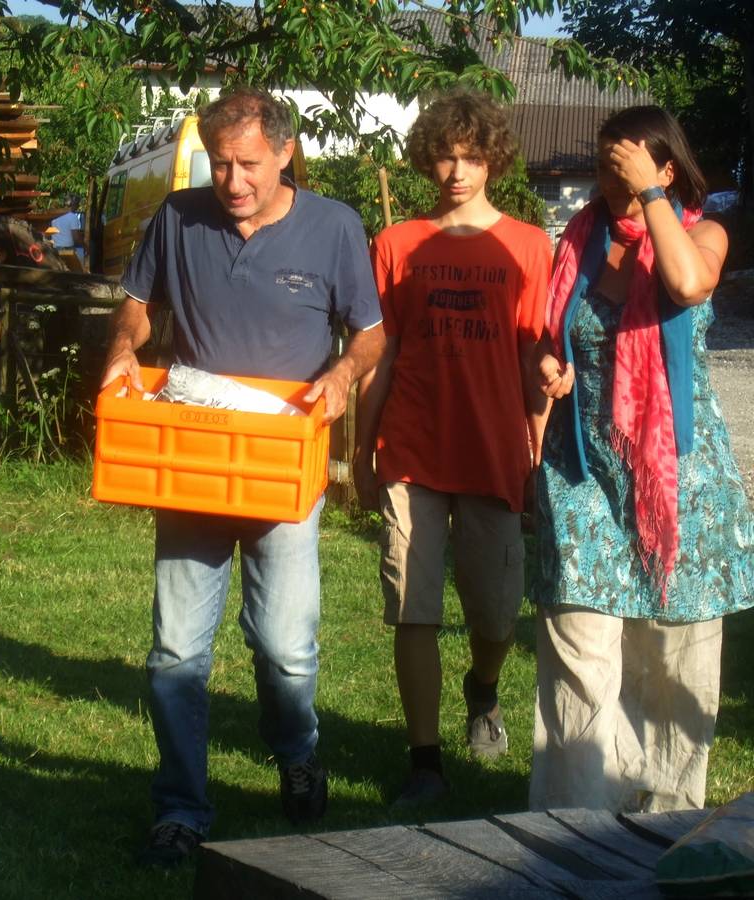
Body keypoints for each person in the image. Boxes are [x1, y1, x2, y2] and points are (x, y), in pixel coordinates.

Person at [101, 86, 385, 867]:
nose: (232, 181)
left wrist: (343, 374)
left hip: (283, 465)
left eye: (249, 164)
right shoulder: (177, 217)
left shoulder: (334, 226)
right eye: (220, 164)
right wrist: (124, 346)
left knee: (285, 647)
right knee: (175, 654)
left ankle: (296, 754)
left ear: (285, 153)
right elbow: (135, 305)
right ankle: (181, 808)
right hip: (192, 460)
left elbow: (371, 332)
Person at [529, 105, 754, 813]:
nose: (611, 179)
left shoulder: (704, 233)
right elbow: (554, 336)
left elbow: (686, 285)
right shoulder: (579, 239)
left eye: (624, 165)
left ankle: (665, 814)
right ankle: (573, 820)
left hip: (677, 480)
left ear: (667, 169)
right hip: (584, 473)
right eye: (604, 165)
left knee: (671, 655)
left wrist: (651, 197)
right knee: (577, 644)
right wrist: (549, 364)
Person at [354, 90, 551, 808]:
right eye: (444, 156)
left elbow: (533, 356)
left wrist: (536, 455)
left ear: (493, 160)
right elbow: (380, 354)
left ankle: (483, 687)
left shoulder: (528, 246)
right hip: (412, 448)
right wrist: (363, 449)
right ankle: (425, 760)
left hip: (494, 452)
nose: (457, 172)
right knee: (414, 607)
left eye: (470, 157)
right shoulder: (396, 244)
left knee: (496, 615)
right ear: (426, 160)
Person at [50, 195, 85, 263]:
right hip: (67, 250)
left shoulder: (54, 217)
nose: (78, 206)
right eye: (77, 204)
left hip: (55, 249)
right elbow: (76, 238)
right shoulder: (73, 217)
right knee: (80, 256)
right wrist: (85, 246)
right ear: (73, 205)